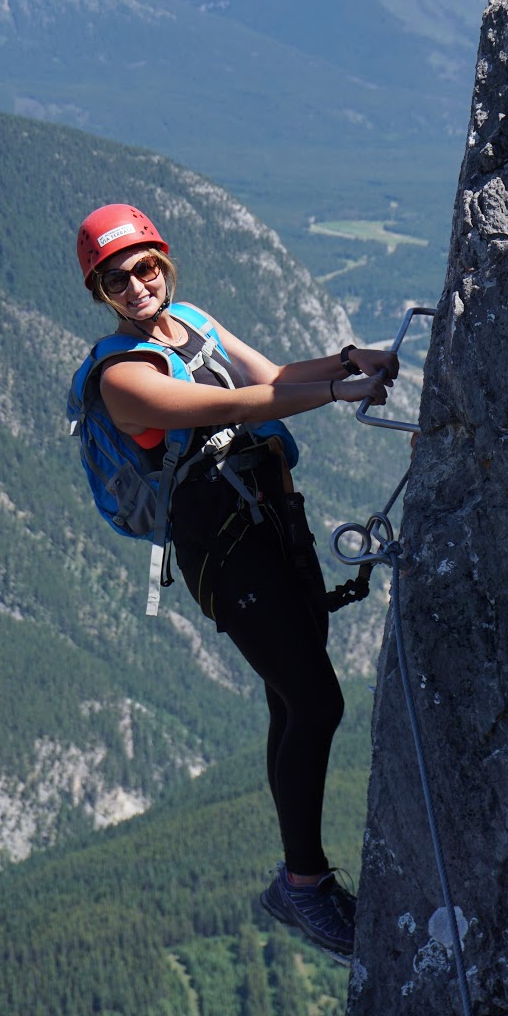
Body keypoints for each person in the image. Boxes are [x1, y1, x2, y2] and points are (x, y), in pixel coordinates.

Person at [75, 203, 399, 963]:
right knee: (315, 699)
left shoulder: (191, 319)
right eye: (115, 278)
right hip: (222, 552)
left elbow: (275, 377)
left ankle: (302, 881)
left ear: (164, 261)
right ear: (99, 290)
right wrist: (336, 392)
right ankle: (302, 884)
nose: (135, 285)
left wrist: (352, 361)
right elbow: (227, 404)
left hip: (270, 522)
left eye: (144, 266)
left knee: (291, 696)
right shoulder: (119, 376)